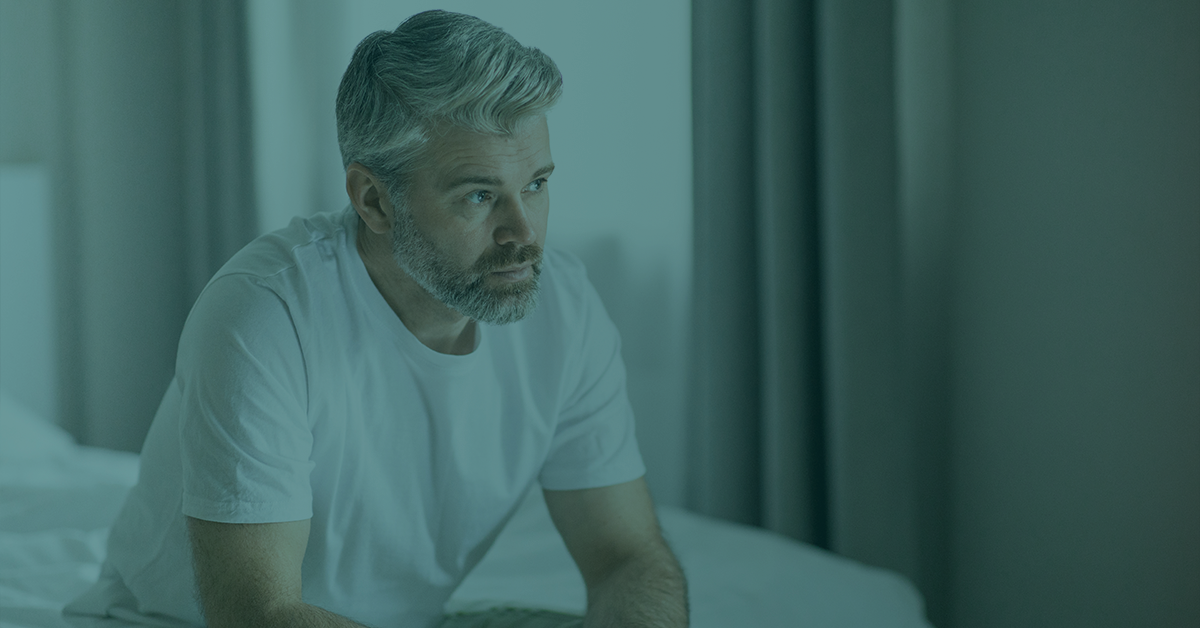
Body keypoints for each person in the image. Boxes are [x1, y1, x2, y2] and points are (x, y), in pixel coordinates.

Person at [64, 9, 688, 628]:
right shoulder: (264, 316)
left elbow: (626, 557)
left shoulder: (567, 309)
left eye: (536, 184)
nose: (523, 232)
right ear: (373, 200)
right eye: (478, 194)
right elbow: (260, 615)